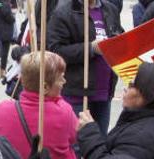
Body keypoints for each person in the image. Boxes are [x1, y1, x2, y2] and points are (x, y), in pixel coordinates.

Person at [47, 0, 123, 135]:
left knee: (99, 143)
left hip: (105, 91)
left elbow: (119, 35)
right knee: (77, 143)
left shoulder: (110, 9)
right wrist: (91, 48)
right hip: (78, 93)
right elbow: (55, 51)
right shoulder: (63, 12)